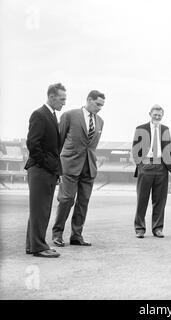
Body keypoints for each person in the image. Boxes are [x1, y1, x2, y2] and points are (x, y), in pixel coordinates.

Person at [52, 90, 105, 247]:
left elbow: (91, 146)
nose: (100, 108)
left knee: (83, 202)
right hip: (69, 165)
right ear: (89, 100)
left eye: (102, 105)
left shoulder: (100, 121)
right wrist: (57, 166)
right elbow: (58, 142)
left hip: (89, 167)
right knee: (66, 199)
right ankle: (57, 234)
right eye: (97, 104)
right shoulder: (69, 115)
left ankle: (76, 235)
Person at [25, 83, 66, 257]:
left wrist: (56, 171)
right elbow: (33, 144)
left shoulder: (51, 115)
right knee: (40, 210)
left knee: (39, 210)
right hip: (40, 170)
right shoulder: (40, 115)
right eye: (62, 98)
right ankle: (39, 247)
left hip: (47, 170)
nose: (64, 102)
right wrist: (49, 165)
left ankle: (32, 245)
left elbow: (52, 148)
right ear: (51, 96)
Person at [132, 105, 171, 238]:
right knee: (142, 199)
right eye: (155, 114)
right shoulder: (140, 129)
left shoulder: (165, 129)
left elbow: (168, 149)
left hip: (161, 166)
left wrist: (169, 165)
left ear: (162, 115)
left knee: (160, 200)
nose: (157, 117)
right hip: (146, 165)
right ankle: (140, 228)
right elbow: (135, 149)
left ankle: (157, 228)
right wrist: (140, 165)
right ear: (150, 114)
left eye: (159, 115)